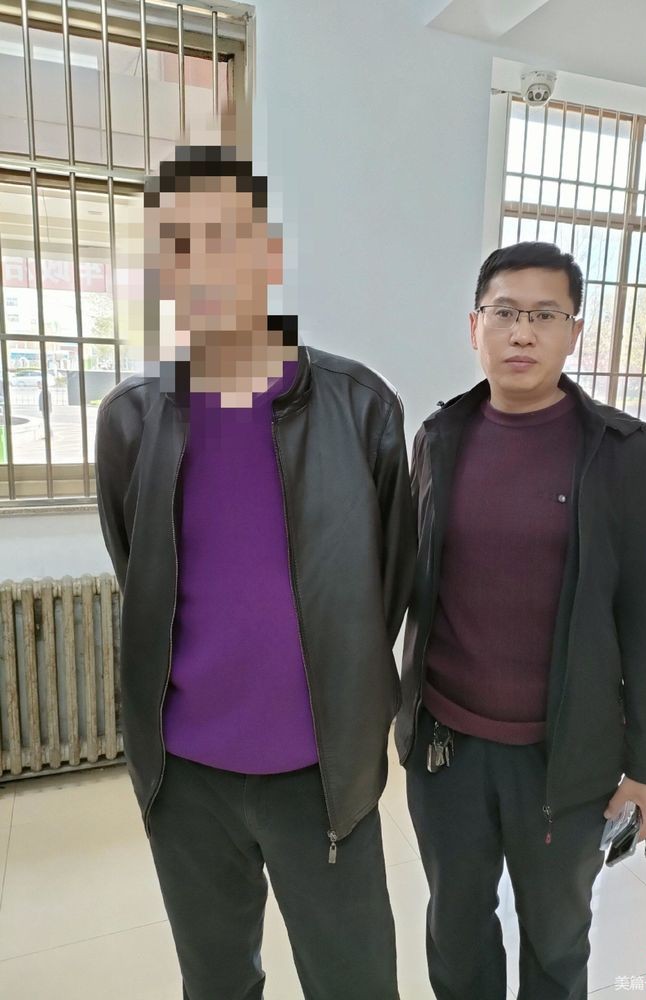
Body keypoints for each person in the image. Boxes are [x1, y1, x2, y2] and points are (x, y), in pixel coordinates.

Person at [95, 141, 415, 1000]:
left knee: (355, 983)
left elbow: (386, 585)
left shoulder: (361, 408)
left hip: (323, 776)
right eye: (179, 247)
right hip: (186, 778)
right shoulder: (132, 420)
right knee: (216, 981)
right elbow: (140, 574)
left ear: (269, 254)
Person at [395, 241, 646, 1000]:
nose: (522, 332)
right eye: (505, 313)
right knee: (456, 928)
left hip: (567, 755)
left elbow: (645, 619)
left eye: (545, 316)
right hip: (447, 749)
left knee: (556, 938)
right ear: (474, 327)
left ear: (574, 332)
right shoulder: (439, 439)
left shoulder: (622, 452)